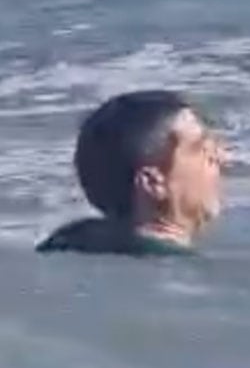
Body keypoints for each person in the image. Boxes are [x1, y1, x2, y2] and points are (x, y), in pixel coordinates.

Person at [37, 90, 228, 257]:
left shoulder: (64, 243)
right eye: (201, 149)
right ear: (153, 183)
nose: (223, 157)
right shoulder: (185, 279)